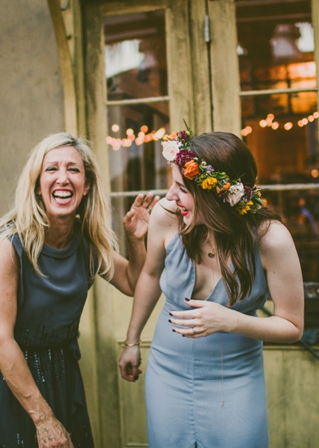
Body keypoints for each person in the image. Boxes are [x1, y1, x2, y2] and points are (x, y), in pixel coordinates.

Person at [0, 133, 157, 448]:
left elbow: (133, 283)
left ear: (87, 185)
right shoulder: (9, 246)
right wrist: (43, 418)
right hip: (3, 373)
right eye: (51, 169)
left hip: (59, 369)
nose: (62, 178)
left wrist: (135, 240)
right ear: (37, 185)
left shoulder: (88, 243)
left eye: (73, 170)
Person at [118, 130, 304, 447]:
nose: (170, 196)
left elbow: (293, 326)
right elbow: (150, 274)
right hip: (167, 373)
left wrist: (231, 320)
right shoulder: (167, 216)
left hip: (235, 379)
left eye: (182, 188)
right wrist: (132, 340)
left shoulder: (270, 239)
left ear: (215, 194)